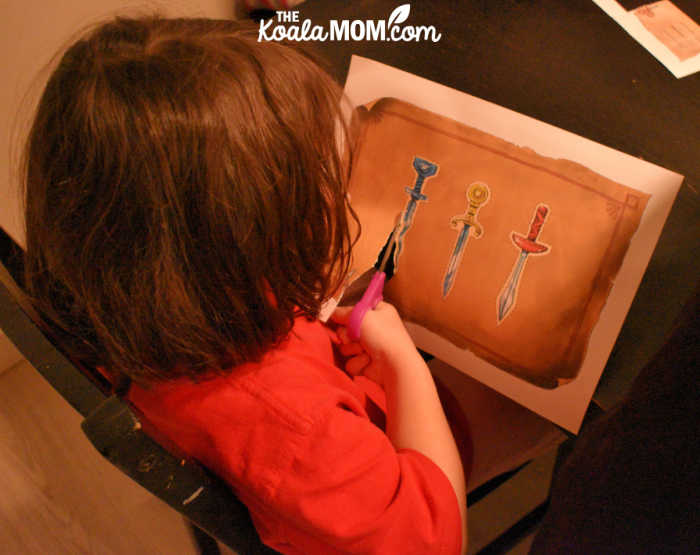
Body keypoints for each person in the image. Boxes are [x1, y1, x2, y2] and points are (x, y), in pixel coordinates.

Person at [22, 16, 469, 554]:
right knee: (525, 416)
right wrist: (404, 365)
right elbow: (433, 541)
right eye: (316, 193)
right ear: (233, 239)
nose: (344, 206)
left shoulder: (127, 285)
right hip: (376, 470)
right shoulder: (293, 429)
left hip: (317, 420)